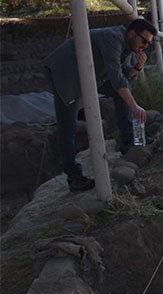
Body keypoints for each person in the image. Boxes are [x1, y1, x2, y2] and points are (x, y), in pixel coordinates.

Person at [44, 18, 154, 191]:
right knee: (67, 126)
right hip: (66, 71)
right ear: (132, 33)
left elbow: (124, 77)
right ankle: (74, 177)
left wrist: (138, 68)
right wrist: (135, 106)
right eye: (144, 41)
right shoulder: (113, 38)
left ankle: (127, 142)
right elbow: (117, 79)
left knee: (121, 96)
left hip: (93, 74)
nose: (145, 46)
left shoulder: (128, 46)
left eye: (148, 43)